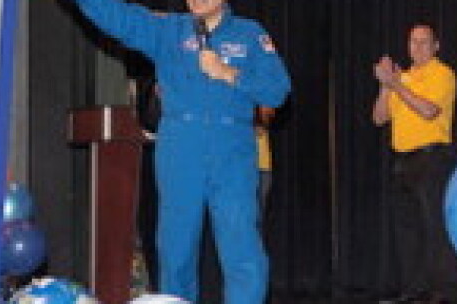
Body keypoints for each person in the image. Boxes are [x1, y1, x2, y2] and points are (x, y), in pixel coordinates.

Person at [70, 0, 291, 303]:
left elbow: (277, 90)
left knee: (242, 250)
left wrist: (229, 73)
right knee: (175, 248)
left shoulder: (250, 34)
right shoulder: (168, 30)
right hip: (180, 145)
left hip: (232, 147)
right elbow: (117, 17)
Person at [372, 24, 457, 303]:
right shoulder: (403, 77)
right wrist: (384, 86)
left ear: (436, 46)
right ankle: (413, 292)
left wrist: (397, 85)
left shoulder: (443, 73)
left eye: (424, 42)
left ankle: (445, 293)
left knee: (435, 228)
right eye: (413, 42)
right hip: (402, 161)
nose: (417, 47)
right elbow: (378, 118)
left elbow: (429, 111)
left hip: (431, 159)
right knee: (407, 232)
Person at [255, 106, 275, 229]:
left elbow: (270, 115)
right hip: (247, 169)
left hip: (264, 168)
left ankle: (256, 246)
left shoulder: (264, 104)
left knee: (260, 214)